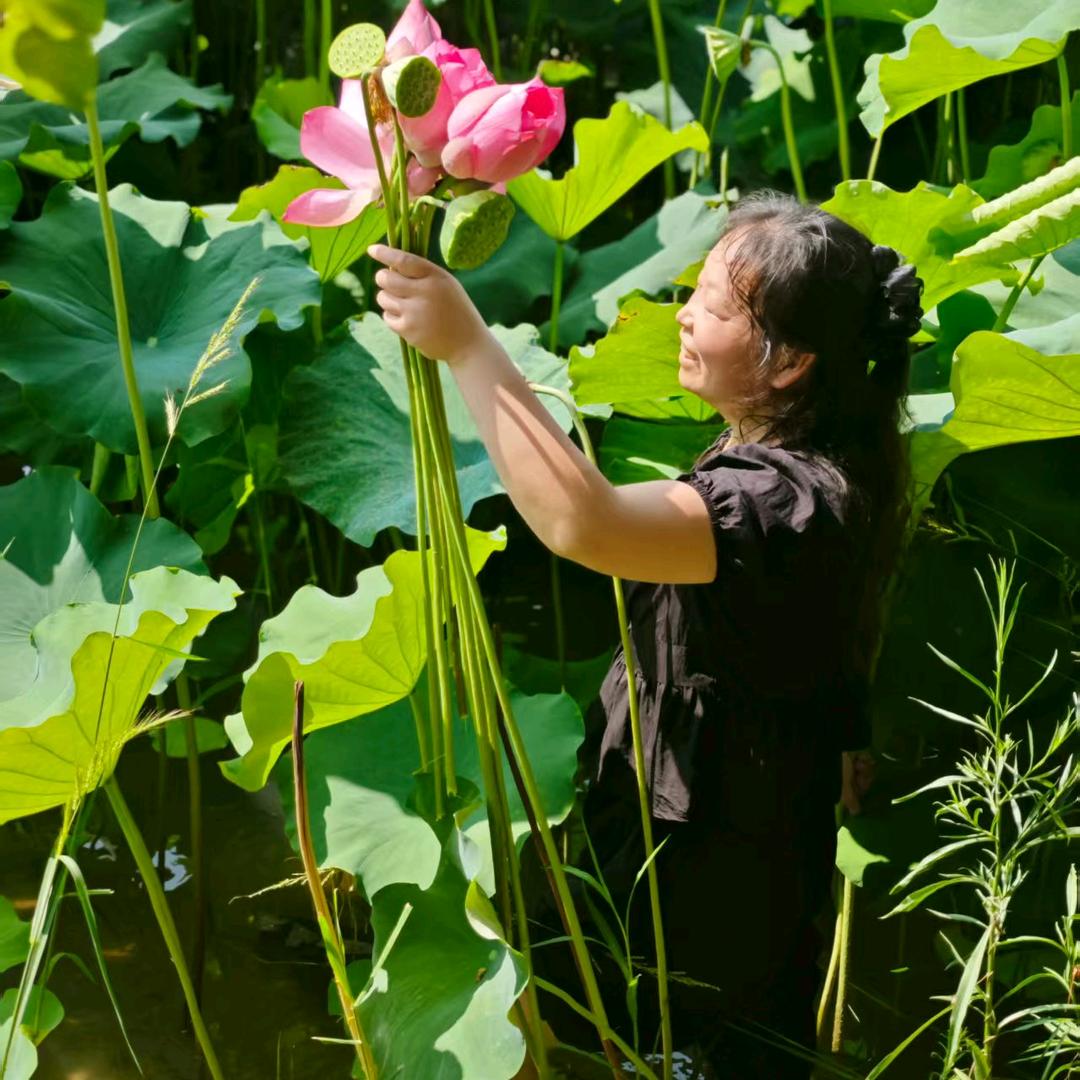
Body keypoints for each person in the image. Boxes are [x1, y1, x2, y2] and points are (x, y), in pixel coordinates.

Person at [369, 189, 924, 1077]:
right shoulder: (839, 456)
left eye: (712, 305)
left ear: (791, 365)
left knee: (683, 1037)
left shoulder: (773, 500)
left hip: (713, 849)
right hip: (746, 805)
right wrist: (849, 732)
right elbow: (833, 627)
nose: (682, 316)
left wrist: (470, 345)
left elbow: (584, 524)